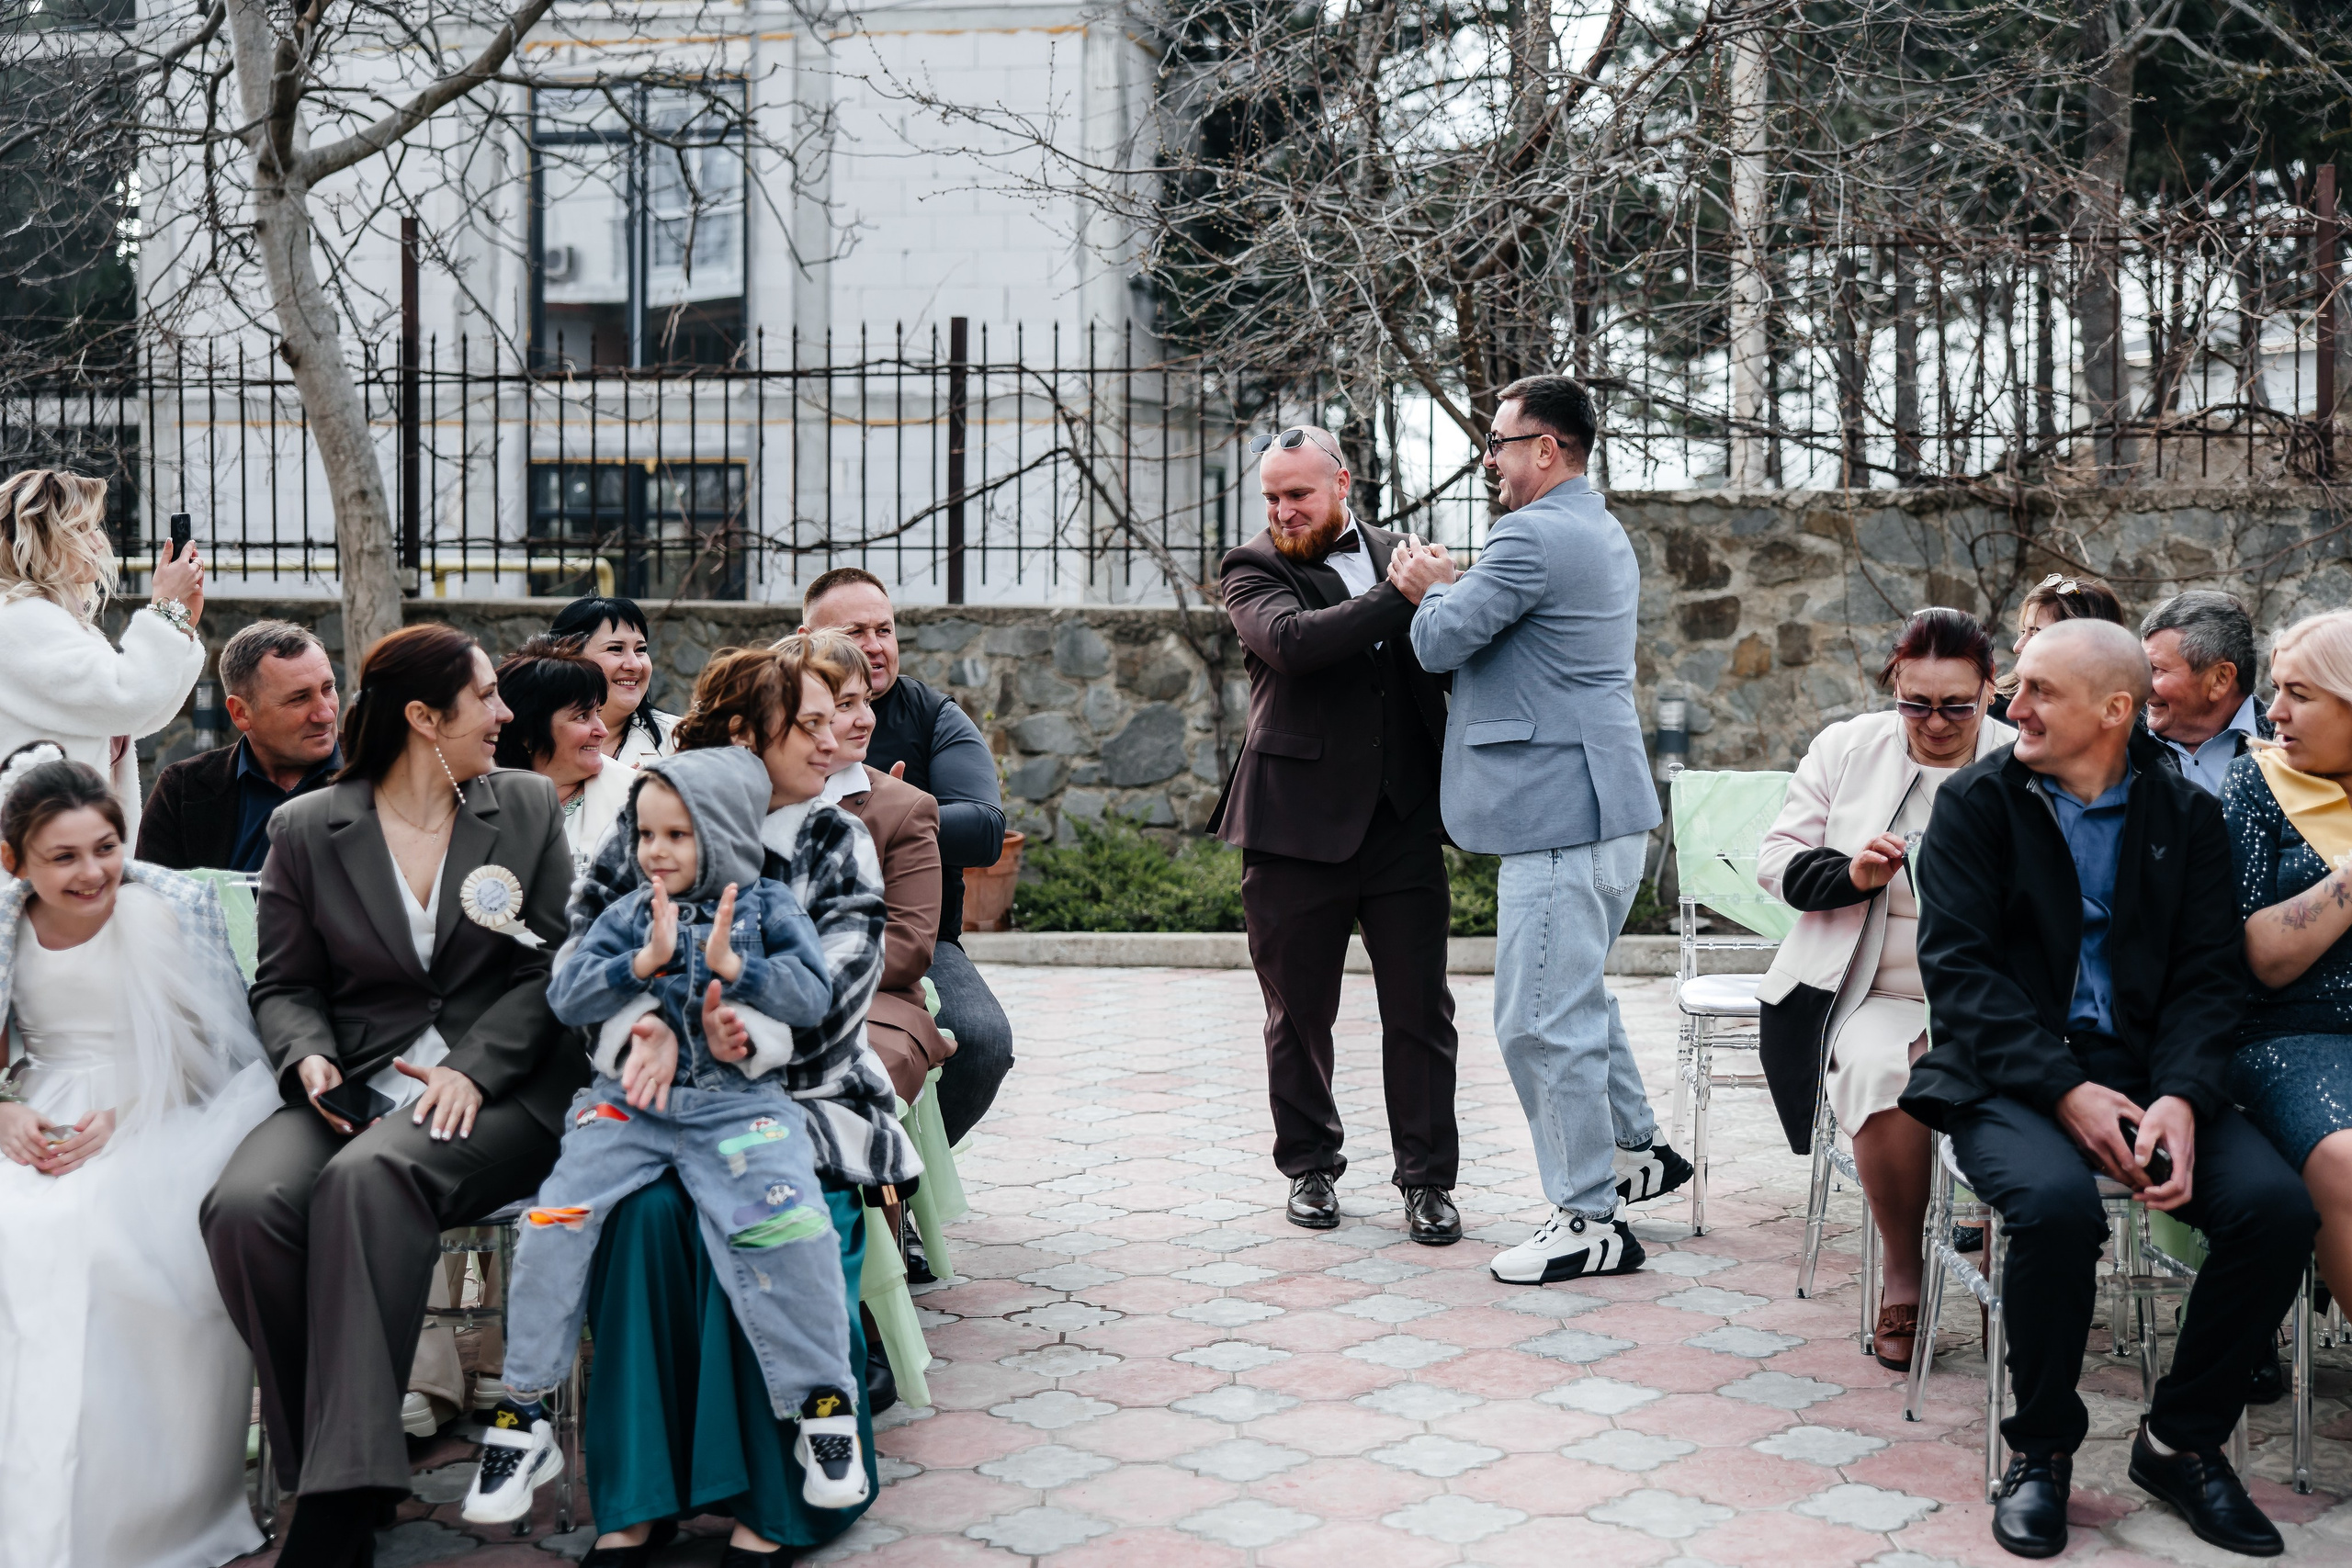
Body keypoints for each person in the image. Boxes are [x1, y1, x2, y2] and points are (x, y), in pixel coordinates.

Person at [1907, 617, 2314, 1561]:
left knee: (2274, 1210)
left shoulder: (2185, 819)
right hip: (2008, 1077)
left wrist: (2179, 1094)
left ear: (2114, 710)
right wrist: (2065, 1091)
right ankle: (2041, 1454)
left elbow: (2209, 978)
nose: (2012, 707)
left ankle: (2179, 1441)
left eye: (2038, 691)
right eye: (2017, 689)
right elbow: (1961, 979)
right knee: (2054, 1211)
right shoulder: (1975, 806)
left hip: (2147, 1076)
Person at [200, 623, 582, 1568]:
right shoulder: (308, 827)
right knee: (244, 1208)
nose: (504, 714)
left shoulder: (527, 808)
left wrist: (473, 1067)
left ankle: (328, 1512)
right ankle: (343, 1470)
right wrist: (309, 1058)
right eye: (485, 697)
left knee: (370, 1181)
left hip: (499, 1095)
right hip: (352, 1084)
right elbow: (283, 984)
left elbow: (558, 972)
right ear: (422, 716)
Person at [562, 641, 916, 1567]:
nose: (834, 733)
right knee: (642, 1217)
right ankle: (637, 1496)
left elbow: (835, 1007)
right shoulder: (650, 826)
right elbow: (589, 966)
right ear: (742, 740)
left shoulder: (835, 840)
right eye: (805, 723)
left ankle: (786, 1495)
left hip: (807, 1101)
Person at [465, 746, 863, 1527]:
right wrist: (636, 965)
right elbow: (568, 992)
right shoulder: (626, 912)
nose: (656, 851)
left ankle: (823, 1408)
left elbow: (814, 993)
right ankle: (523, 1413)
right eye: (647, 834)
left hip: (738, 1109)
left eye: (678, 834)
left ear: (719, 831)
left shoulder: (770, 906)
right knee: (554, 1223)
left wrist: (737, 973)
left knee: (789, 1225)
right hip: (627, 1107)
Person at [1390, 376, 1679, 1285]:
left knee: (1534, 1020)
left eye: (1499, 442)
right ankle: (1635, 1151)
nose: (1489, 458)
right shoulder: (1592, 524)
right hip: (1599, 806)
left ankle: (1589, 1218)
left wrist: (1432, 588)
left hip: (1563, 813)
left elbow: (1440, 644)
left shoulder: (1530, 534)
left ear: (1545, 448)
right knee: (1575, 996)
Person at [0, 749, 280, 1568]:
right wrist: (6, 1109)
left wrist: (118, 1120)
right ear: (15, 860)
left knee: (84, 1234)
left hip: (161, 1107)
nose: (92, 872)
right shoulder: (9, 925)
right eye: (64, 856)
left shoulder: (150, 914)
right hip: (40, 1103)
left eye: (106, 848)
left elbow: (201, 1056)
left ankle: (132, 1517)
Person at [1206, 423, 1464, 1243]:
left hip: (1402, 822)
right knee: (1299, 1014)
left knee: (1422, 1012)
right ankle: (1310, 1167)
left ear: (1342, 483)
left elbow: (1451, 654)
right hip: (1291, 827)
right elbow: (1293, 644)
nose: (1282, 511)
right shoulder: (1253, 568)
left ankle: (1427, 1182)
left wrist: (1446, 597)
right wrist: (1406, 594)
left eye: (1297, 495)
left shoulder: (1403, 550)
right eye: (1272, 498)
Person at [1755, 608, 2013, 1371]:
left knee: (2010, 1075)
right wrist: (1852, 873)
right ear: (1894, 683)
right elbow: (1777, 859)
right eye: (1917, 703)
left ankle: (2008, 1267)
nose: (1935, 723)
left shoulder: (2024, 755)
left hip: (1995, 989)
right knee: (1883, 1070)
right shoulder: (1847, 747)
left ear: (1991, 690)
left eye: (1957, 705)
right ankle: (1904, 1269)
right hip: (1874, 986)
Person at [801, 568, 1012, 1144]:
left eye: (885, 631)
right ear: (805, 639)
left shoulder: (932, 716)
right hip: (781, 931)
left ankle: (904, 1182)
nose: (873, 647)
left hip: (909, 932)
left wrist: (891, 813)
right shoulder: (769, 712)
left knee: (982, 1037)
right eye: (855, 632)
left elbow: (985, 829)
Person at [2222, 609, 2352, 1314]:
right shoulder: (2256, 787)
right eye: (2277, 690)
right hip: (2291, 1036)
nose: (2274, 712)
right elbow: (2261, 957)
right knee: (2347, 1160)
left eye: (2299, 694)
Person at [0, 468, 207, 846]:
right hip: (42, 863)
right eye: (83, 529)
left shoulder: (52, 620)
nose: (99, 543)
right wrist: (164, 612)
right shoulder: (20, 620)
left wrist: (180, 623)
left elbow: (140, 718)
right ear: (43, 540)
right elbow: (127, 699)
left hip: (67, 850)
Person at [141, 619, 341, 873]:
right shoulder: (182, 791)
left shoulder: (381, 771)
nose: (325, 715)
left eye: (328, 689)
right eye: (299, 699)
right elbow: (151, 902)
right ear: (241, 713)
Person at [494, 635, 636, 874]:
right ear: (528, 732)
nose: (602, 731)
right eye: (582, 716)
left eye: (598, 713)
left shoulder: (633, 797)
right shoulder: (477, 799)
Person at [2143, 590, 2267, 795]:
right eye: (2141, 667)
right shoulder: (2119, 742)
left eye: (2157, 669)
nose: (2141, 684)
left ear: (2220, 679)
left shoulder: (2289, 747)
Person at [550, 595, 678, 767]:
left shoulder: (683, 741)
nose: (635, 665)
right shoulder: (526, 737)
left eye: (641, 650)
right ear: (567, 656)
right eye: (616, 649)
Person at [1989, 573, 2126, 723]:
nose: (2017, 647)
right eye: (2023, 632)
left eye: (2036, 633)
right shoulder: (1995, 710)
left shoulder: (2135, 730)